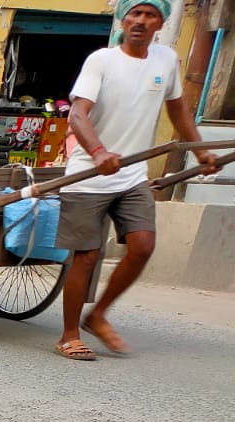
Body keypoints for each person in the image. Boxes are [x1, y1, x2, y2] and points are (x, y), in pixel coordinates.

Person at [55, 0, 217, 360]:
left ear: (160, 22)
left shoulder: (165, 60)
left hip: (131, 175)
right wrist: (98, 152)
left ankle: (97, 315)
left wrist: (200, 151)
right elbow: (78, 114)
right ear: (123, 19)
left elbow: (178, 109)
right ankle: (68, 335)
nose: (141, 21)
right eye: (135, 14)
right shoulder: (102, 60)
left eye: (150, 15)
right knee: (87, 256)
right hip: (88, 175)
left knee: (143, 245)